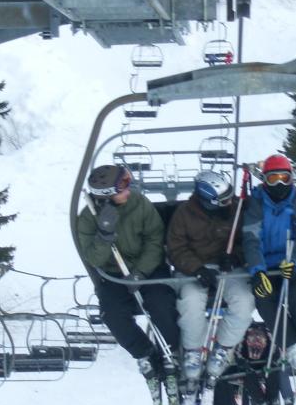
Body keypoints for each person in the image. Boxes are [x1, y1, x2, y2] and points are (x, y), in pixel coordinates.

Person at [77, 164, 180, 379]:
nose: (128, 190)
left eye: (127, 183)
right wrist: (104, 235)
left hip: (149, 268)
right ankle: (145, 352)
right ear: (107, 194)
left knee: (161, 304)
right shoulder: (88, 219)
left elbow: (155, 239)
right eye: (122, 187)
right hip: (114, 273)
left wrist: (140, 272)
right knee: (112, 313)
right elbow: (94, 259)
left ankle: (171, 350)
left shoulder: (139, 203)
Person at [242, 154, 296, 389]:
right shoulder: (256, 203)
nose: (279, 183)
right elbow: (251, 239)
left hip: (289, 263)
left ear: (291, 178)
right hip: (266, 265)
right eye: (273, 178)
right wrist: (257, 271)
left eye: (284, 178)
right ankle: (290, 344)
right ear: (265, 181)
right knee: (264, 299)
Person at [166, 170, 255, 383]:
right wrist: (196, 268)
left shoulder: (236, 210)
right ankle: (193, 349)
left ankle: (224, 347)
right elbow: (176, 248)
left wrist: (235, 257)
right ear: (208, 201)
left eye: (230, 197)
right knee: (191, 302)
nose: (229, 202)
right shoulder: (184, 214)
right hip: (194, 269)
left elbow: (248, 240)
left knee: (245, 301)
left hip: (228, 267)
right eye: (223, 200)